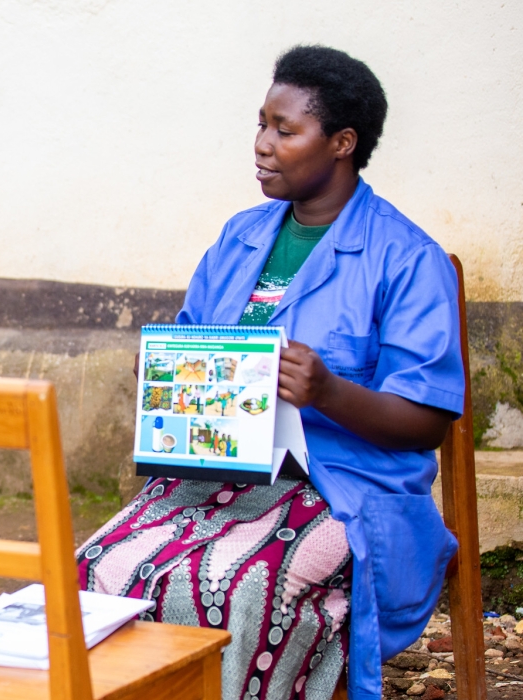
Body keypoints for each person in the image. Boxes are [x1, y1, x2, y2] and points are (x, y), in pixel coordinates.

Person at [78, 46, 462, 700]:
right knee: (96, 569)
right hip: (217, 481)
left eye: (285, 131)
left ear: (342, 142)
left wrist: (328, 392)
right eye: (261, 125)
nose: (262, 145)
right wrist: (169, 372)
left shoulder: (406, 258)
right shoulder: (240, 238)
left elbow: (426, 420)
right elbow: (192, 338)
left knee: (246, 585)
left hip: (344, 492)